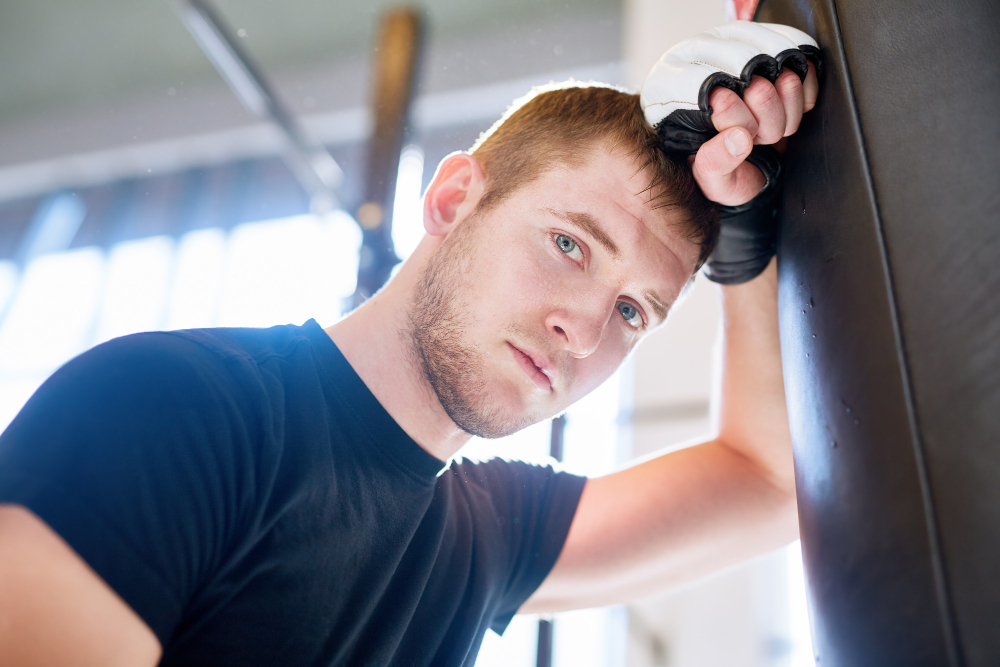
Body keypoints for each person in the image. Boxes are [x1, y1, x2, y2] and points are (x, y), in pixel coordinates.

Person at [0, 36, 818, 666]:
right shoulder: (167, 413)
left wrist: (747, 234)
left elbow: (771, 480)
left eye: (634, 309)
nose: (586, 330)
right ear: (454, 198)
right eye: (569, 245)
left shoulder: (485, 533)